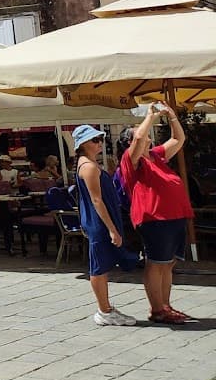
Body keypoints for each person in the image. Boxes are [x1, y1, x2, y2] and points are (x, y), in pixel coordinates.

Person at [119, 102, 196, 325]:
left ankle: (165, 304)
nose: (148, 138)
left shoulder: (156, 156)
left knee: (168, 263)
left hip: (174, 216)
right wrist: (150, 116)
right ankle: (157, 309)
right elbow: (139, 139)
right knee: (156, 263)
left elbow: (178, 140)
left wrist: (172, 116)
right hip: (155, 218)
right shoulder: (131, 160)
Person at [73, 123, 142, 325]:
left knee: (102, 265)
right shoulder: (89, 167)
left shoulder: (88, 164)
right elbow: (96, 200)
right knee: (99, 266)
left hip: (100, 221)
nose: (99, 143)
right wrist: (112, 229)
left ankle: (106, 309)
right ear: (84, 144)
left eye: (100, 139)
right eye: (95, 140)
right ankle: (104, 310)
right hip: (100, 223)